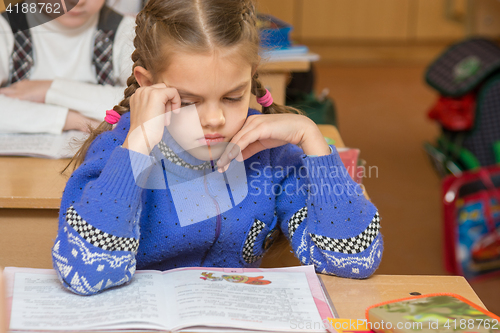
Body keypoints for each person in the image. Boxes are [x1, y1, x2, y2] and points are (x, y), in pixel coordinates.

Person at [52, 0, 384, 296]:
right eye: (189, 101)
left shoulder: (272, 155)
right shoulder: (117, 151)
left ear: (251, 77)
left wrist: (312, 141)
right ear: (147, 84)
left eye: (232, 97)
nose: (214, 119)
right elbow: (85, 275)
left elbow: (353, 258)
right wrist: (135, 150)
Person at [0, 0, 135, 134]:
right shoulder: (5, 27)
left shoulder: (128, 31)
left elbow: (140, 101)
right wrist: (70, 119)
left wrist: (49, 89)